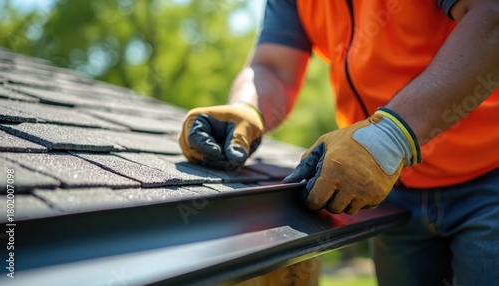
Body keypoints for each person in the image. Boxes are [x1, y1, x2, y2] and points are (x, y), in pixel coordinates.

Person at [179, 0, 499, 285]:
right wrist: (246, 107)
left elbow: (491, 16)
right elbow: (273, 67)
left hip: (489, 175)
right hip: (392, 188)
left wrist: (390, 137)